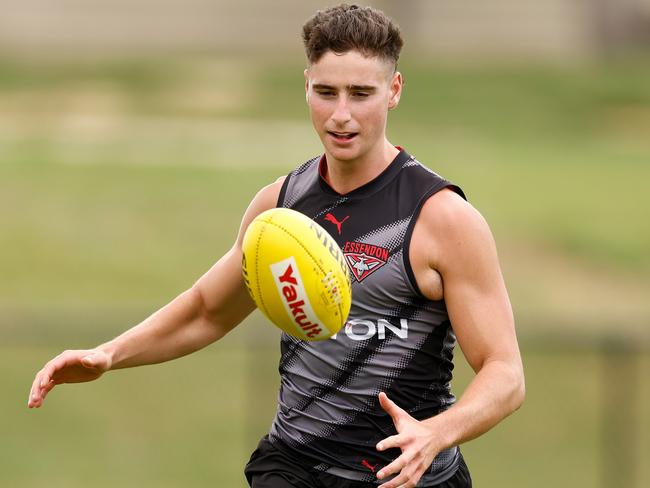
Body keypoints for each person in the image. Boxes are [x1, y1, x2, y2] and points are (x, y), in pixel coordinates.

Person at [28, 4, 524, 488]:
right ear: (306, 85)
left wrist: (436, 433)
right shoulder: (280, 212)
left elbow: (504, 373)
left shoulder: (441, 218)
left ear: (393, 91)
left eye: (361, 93)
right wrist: (109, 354)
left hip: (407, 475)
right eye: (326, 92)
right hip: (293, 466)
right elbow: (207, 310)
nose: (341, 115)